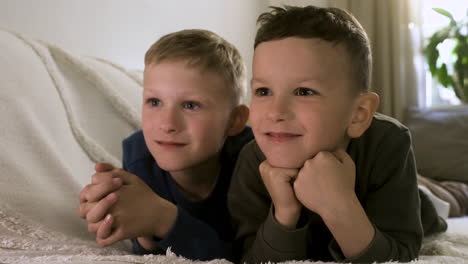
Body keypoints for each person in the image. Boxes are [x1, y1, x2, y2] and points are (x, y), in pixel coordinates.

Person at [227, 5, 447, 264]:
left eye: (304, 92)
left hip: (421, 206)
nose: (276, 112)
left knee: (444, 200)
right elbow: (252, 258)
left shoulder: (388, 143)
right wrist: (284, 213)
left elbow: (397, 257)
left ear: (358, 114)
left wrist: (339, 205)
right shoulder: (253, 161)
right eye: (263, 91)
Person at [78, 29, 252, 261]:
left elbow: (249, 256)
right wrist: (120, 210)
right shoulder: (139, 154)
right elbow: (149, 251)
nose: (167, 124)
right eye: (154, 101)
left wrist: (163, 218)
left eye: (191, 105)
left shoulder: (252, 160)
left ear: (234, 120)